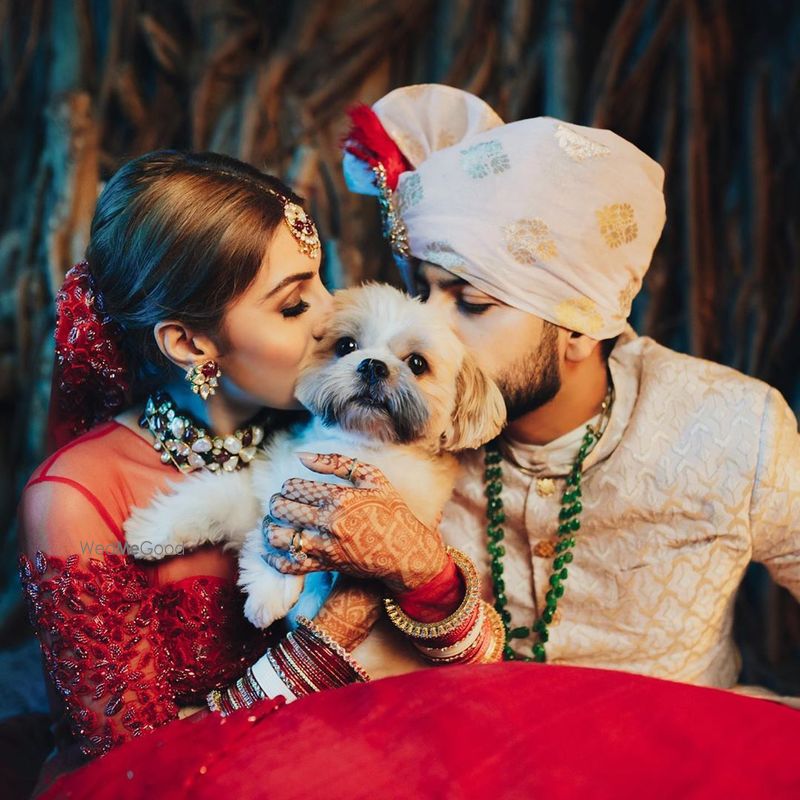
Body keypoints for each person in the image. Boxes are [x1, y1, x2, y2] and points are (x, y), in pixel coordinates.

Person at [264, 84, 800, 698]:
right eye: (422, 289)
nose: (431, 324)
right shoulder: (387, 435)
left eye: (470, 302)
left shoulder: (734, 426)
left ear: (578, 327)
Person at [17, 149, 481, 792]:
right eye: (294, 306)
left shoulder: (337, 430)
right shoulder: (74, 499)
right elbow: (135, 770)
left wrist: (425, 573)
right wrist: (330, 635)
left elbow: (468, 659)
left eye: (322, 281)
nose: (329, 312)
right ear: (190, 345)